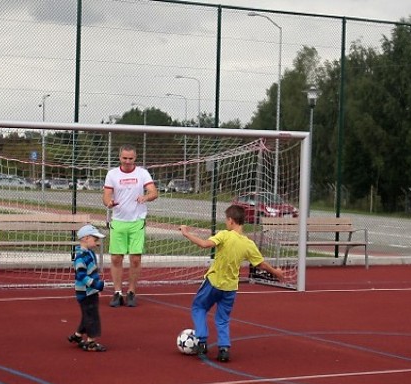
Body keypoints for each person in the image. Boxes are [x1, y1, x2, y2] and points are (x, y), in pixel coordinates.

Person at [179, 204, 285, 362]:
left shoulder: (224, 235)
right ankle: (224, 349)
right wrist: (276, 272)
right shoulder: (248, 243)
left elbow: (204, 244)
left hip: (213, 282)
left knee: (199, 307)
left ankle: (201, 342)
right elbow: (261, 263)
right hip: (230, 288)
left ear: (231, 221)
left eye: (226, 220)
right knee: (222, 318)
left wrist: (186, 233)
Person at [102, 145, 158, 308]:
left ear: (135, 158)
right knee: (116, 257)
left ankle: (132, 291)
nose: (127, 161)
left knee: (135, 258)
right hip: (118, 220)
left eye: (130, 158)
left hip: (137, 221)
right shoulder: (112, 174)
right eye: (124, 158)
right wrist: (109, 203)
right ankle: (117, 292)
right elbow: (106, 197)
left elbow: (154, 192)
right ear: (119, 157)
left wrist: (146, 197)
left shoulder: (142, 173)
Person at [67, 224, 107, 352]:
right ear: (85, 238)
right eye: (94, 240)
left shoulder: (89, 253)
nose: (97, 243)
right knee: (92, 316)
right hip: (85, 292)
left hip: (90, 291)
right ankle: (91, 342)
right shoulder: (80, 257)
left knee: (87, 314)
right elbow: (82, 275)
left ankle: (77, 335)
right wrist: (95, 285)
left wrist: (95, 289)